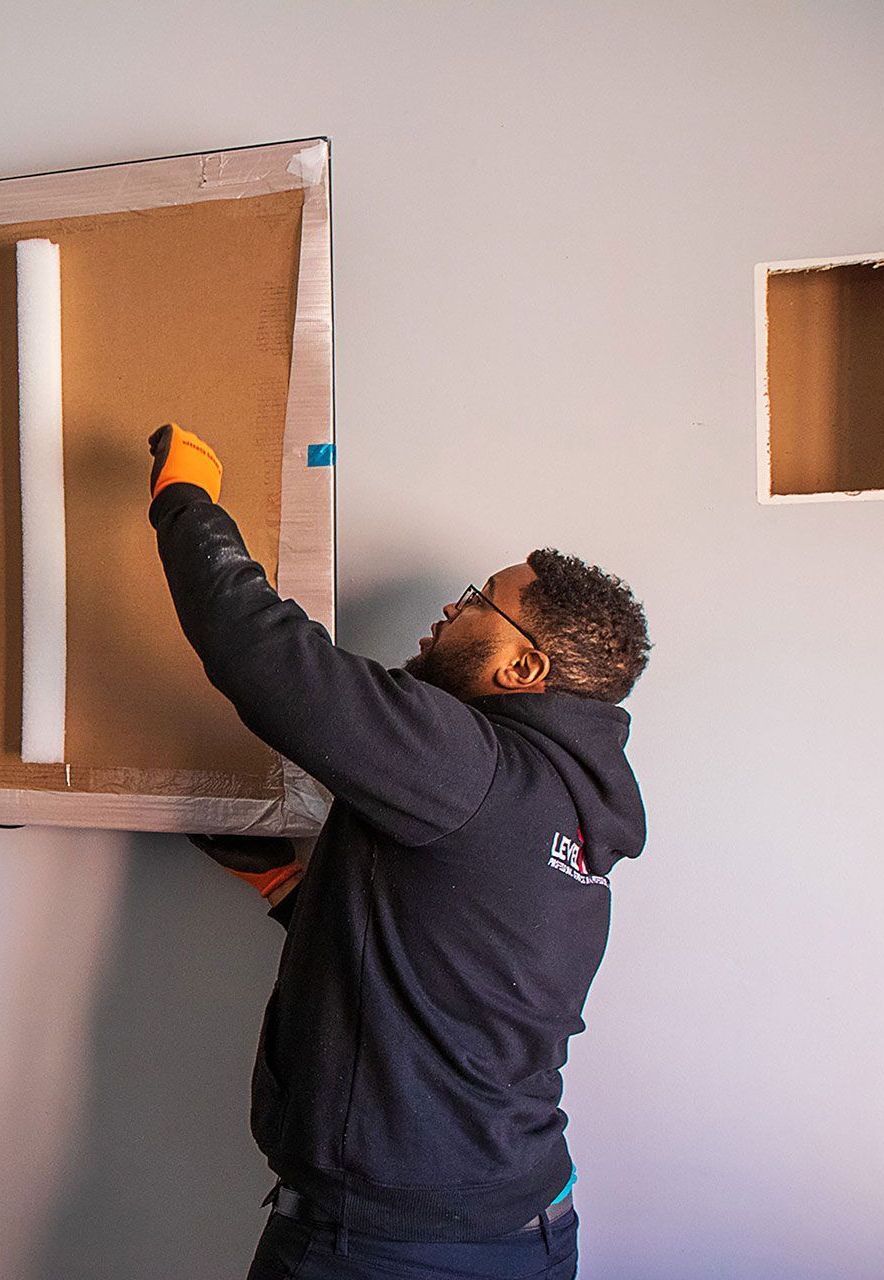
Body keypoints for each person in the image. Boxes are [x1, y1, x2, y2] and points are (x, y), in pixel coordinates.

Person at [145, 425, 651, 1280]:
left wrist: (184, 503)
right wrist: (291, 889)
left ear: (525, 669)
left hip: (391, 1249)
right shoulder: (566, 806)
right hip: (517, 1221)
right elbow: (451, 965)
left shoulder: (472, 768)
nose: (451, 611)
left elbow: (265, 652)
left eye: (478, 601)